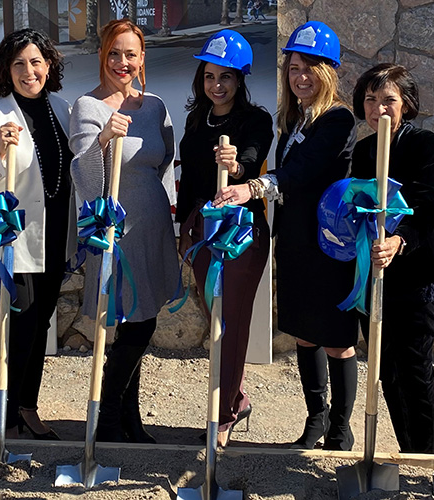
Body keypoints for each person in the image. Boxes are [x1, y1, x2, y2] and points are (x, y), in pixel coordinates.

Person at [214, 21, 359, 451]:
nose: (300, 76)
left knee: (335, 339)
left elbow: (299, 172)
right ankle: (315, 419)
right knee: (303, 332)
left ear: (329, 71)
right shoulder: (292, 120)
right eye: (294, 67)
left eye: (311, 67)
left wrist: (252, 186)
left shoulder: (338, 120)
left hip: (331, 247)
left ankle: (340, 428)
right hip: (294, 243)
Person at [0, 28, 77, 440]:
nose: (30, 71)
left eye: (37, 62)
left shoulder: (62, 108)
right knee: (17, 327)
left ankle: (27, 408)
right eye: (20, 63)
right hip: (11, 245)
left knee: (40, 324)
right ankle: (5, 421)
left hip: (53, 240)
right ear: (6, 70)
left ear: (49, 66)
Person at [69, 19, 180, 443]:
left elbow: (165, 161)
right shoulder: (88, 107)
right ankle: (109, 416)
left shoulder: (154, 106)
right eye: (114, 53)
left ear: (141, 59)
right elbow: (82, 174)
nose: (122, 62)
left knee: (144, 318)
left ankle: (128, 419)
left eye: (130, 54)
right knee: (134, 324)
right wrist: (101, 142)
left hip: (151, 224)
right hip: (117, 230)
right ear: (103, 56)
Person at [176, 30, 274, 447]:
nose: (217, 85)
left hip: (241, 234)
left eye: (227, 78)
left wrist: (235, 168)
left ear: (241, 80)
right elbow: (189, 181)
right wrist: (184, 229)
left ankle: (225, 414)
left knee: (231, 323)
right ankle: (235, 395)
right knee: (214, 317)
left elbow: (251, 160)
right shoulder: (196, 119)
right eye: (210, 76)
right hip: (202, 231)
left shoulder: (256, 119)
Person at [351, 64, 434, 453]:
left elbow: (426, 209)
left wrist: (398, 242)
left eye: (388, 99)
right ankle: (406, 449)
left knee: (414, 369)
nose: (378, 108)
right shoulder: (362, 151)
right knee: (385, 370)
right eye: (371, 100)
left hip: (412, 275)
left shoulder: (427, 146)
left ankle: (426, 458)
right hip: (372, 272)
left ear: (406, 104)